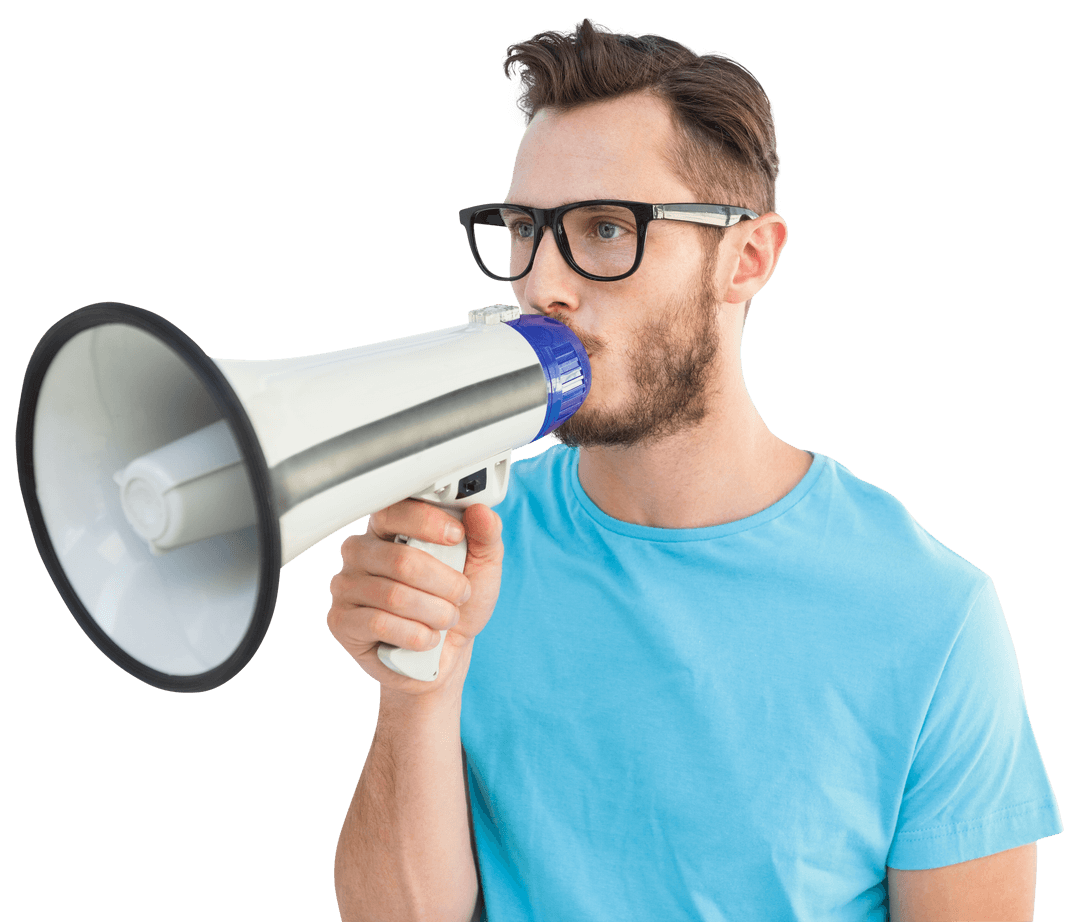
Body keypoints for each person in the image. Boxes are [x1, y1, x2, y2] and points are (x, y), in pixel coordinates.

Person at [327, 19, 1062, 922]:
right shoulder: (473, 553)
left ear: (747, 259)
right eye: (524, 230)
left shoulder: (931, 616)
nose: (543, 286)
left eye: (605, 228)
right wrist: (420, 691)